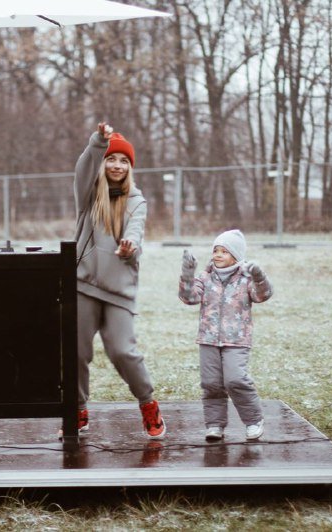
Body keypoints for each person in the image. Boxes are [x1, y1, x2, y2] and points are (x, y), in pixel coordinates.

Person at [72, 122, 166, 439]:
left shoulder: (137, 201)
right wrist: (98, 141)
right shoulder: (87, 197)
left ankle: (148, 405)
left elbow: (135, 231)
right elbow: (84, 167)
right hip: (83, 286)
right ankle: (77, 409)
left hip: (118, 292)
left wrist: (129, 246)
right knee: (77, 352)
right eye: (112, 159)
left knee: (123, 352)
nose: (117, 165)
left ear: (130, 167)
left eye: (123, 161)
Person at [178, 229, 273, 441]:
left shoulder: (245, 278)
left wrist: (259, 276)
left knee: (235, 380)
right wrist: (187, 273)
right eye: (216, 250)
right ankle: (214, 425)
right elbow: (189, 298)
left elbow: (262, 295)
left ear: (236, 256)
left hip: (237, 340)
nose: (218, 255)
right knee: (211, 383)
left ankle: (253, 420)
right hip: (208, 339)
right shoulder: (205, 277)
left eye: (224, 251)